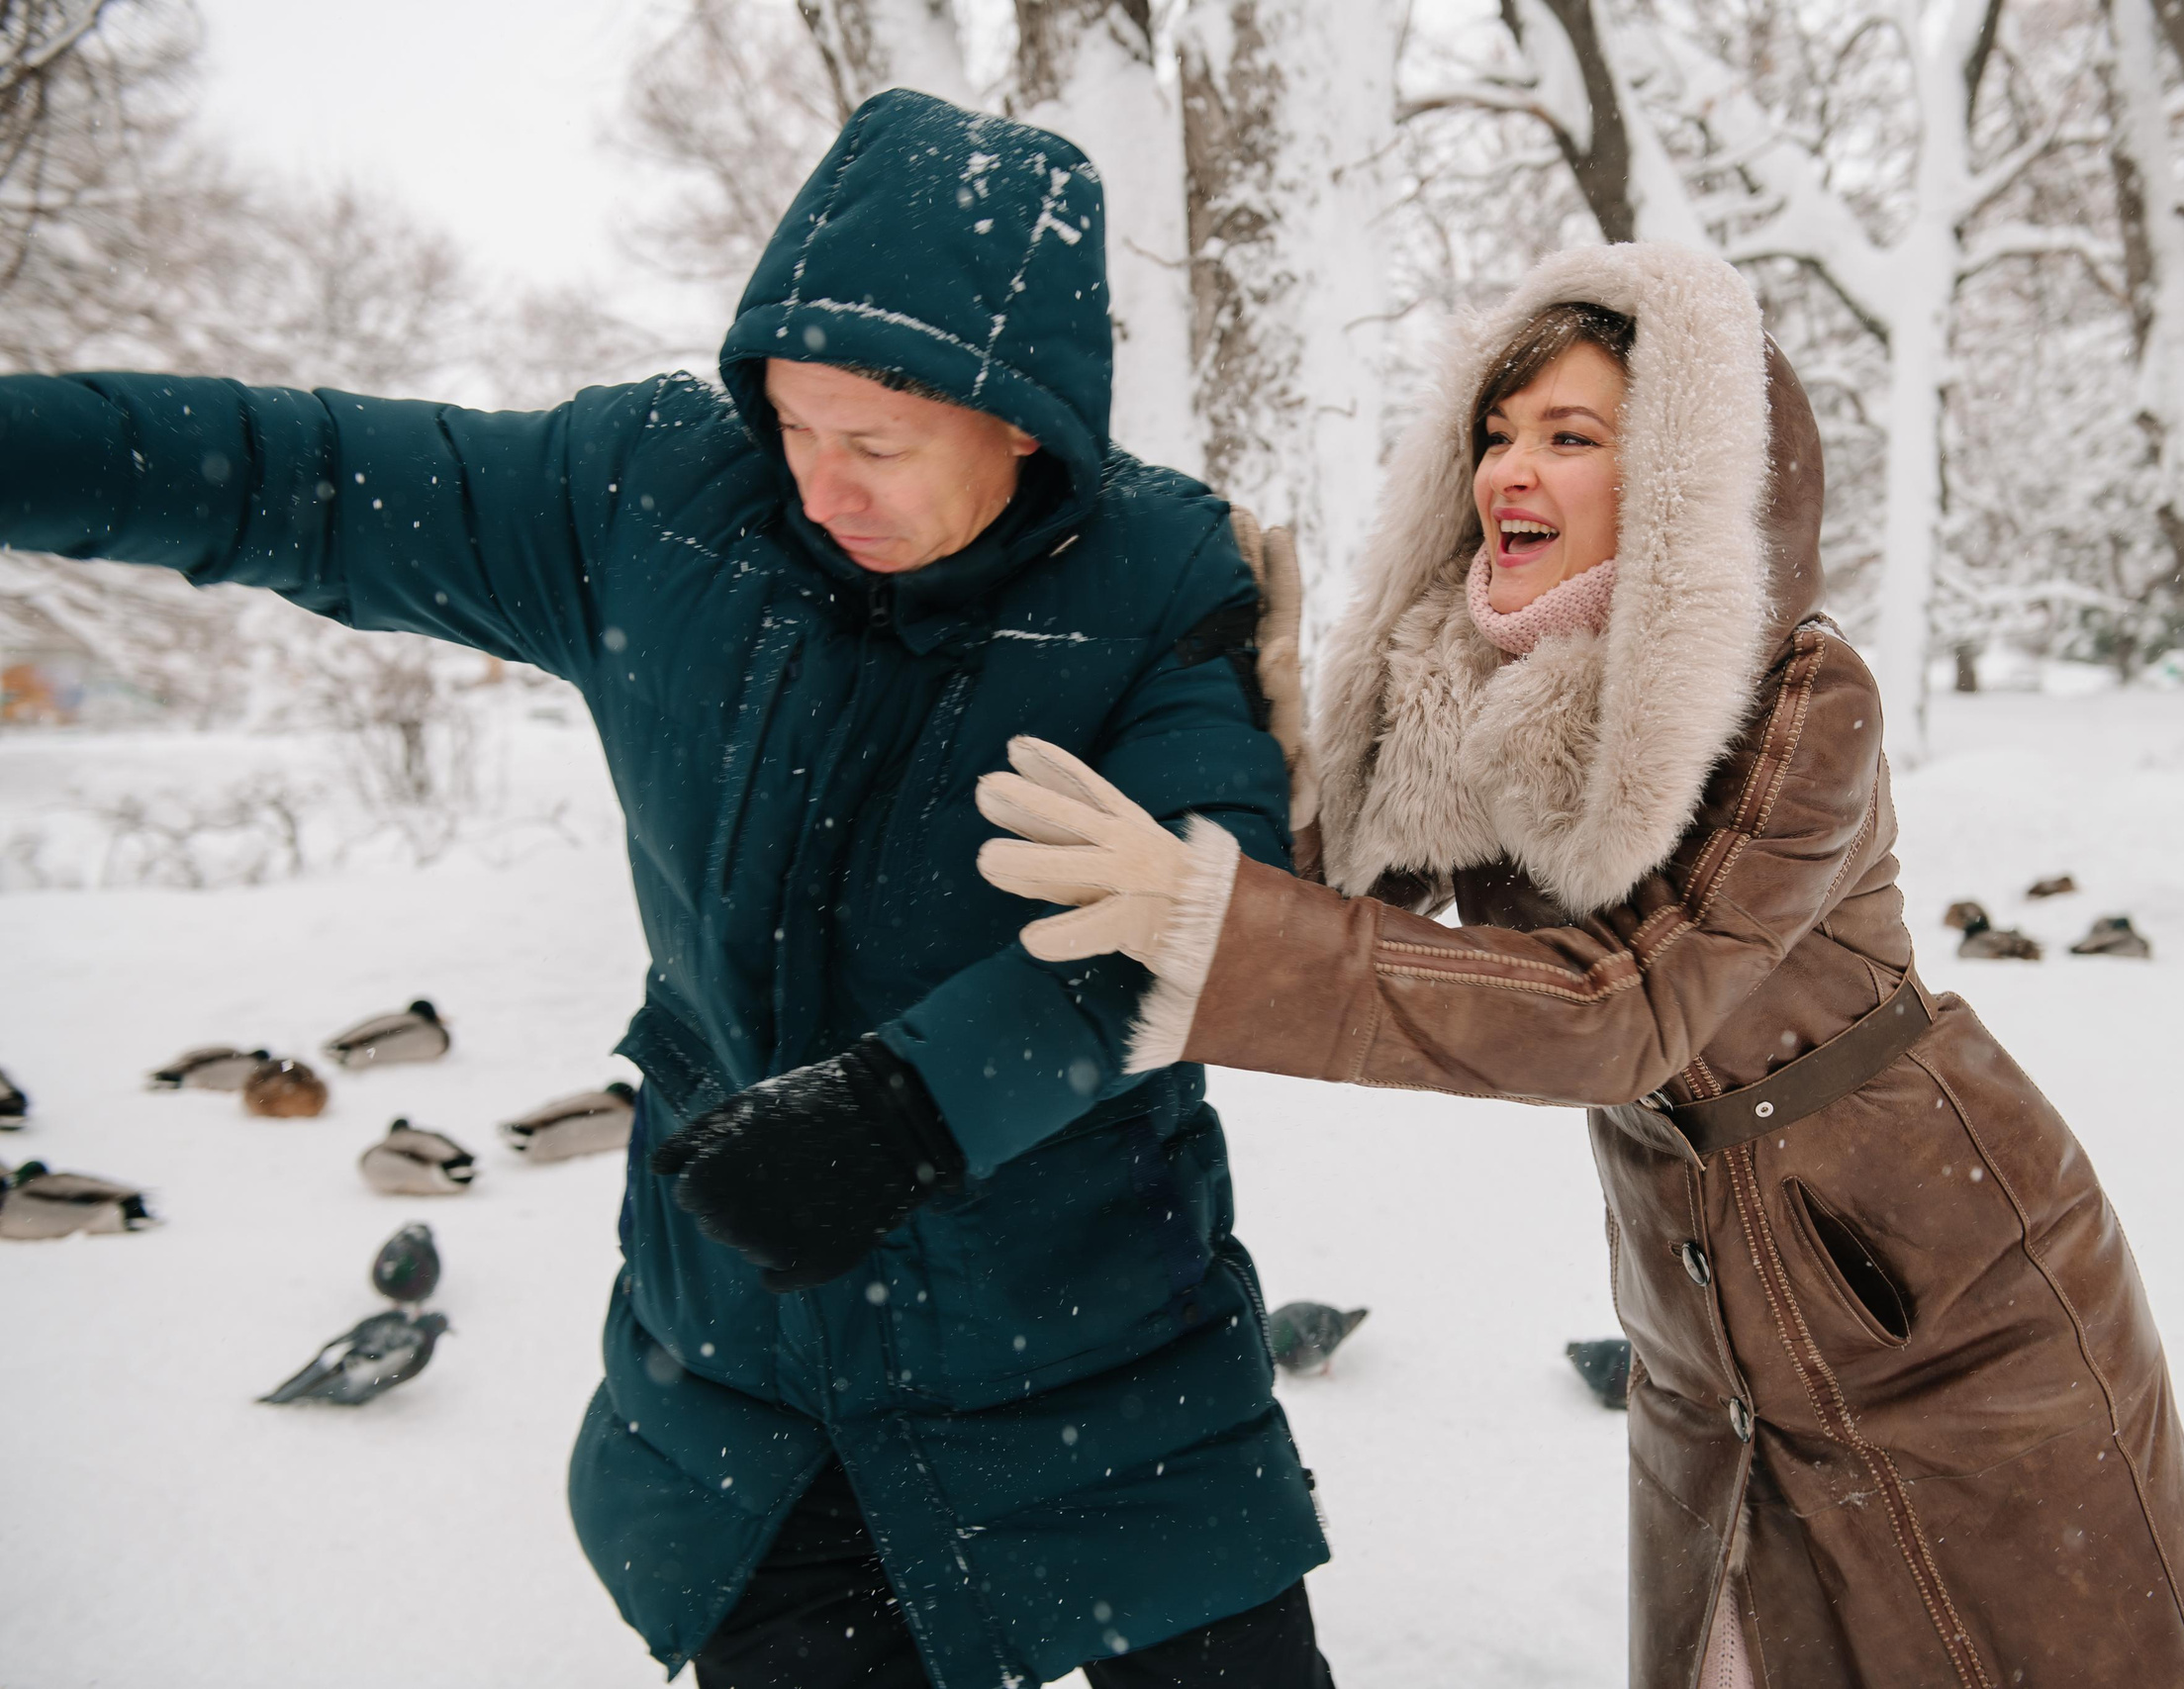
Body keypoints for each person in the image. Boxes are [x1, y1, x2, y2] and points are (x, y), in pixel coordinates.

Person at [0, 91, 1333, 1689]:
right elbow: (301, 477)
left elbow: (1204, 923)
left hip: (1098, 1362)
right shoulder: (651, 502)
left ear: (1025, 419)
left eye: (878, 445)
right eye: (794, 425)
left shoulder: (1166, 583)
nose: (819, 482)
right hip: (755, 1375)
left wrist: (913, 1114)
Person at [974, 243, 2184, 1688]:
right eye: (1497, 434)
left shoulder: (1802, 697)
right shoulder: (1474, 688)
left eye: (1571, 438)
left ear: (1684, 484)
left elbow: (1624, 1007)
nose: (1509, 471)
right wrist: (1271, 712)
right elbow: (1337, 889)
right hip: (1701, 1314)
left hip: (1942, 1295)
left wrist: (1222, 930)